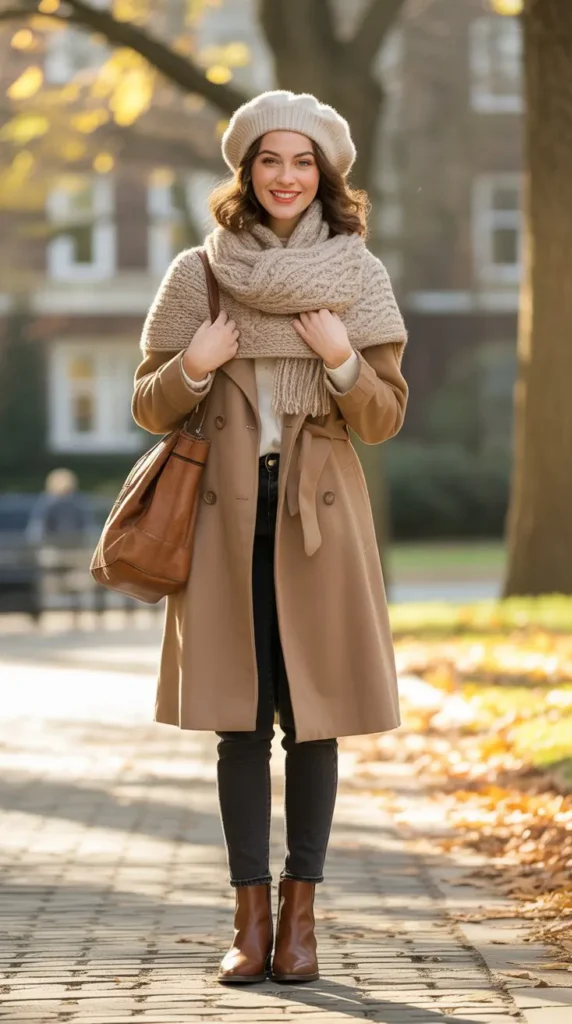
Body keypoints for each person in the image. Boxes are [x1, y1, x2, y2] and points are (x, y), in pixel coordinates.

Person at [132, 90, 408, 986]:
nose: (285, 177)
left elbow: (383, 418)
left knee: (314, 725)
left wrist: (340, 359)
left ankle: (301, 921)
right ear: (245, 172)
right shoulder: (198, 276)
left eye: (302, 162)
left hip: (317, 526)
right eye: (268, 160)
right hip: (223, 525)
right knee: (241, 730)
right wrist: (193, 365)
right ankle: (249, 921)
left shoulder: (359, 277)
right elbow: (149, 405)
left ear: (324, 176)